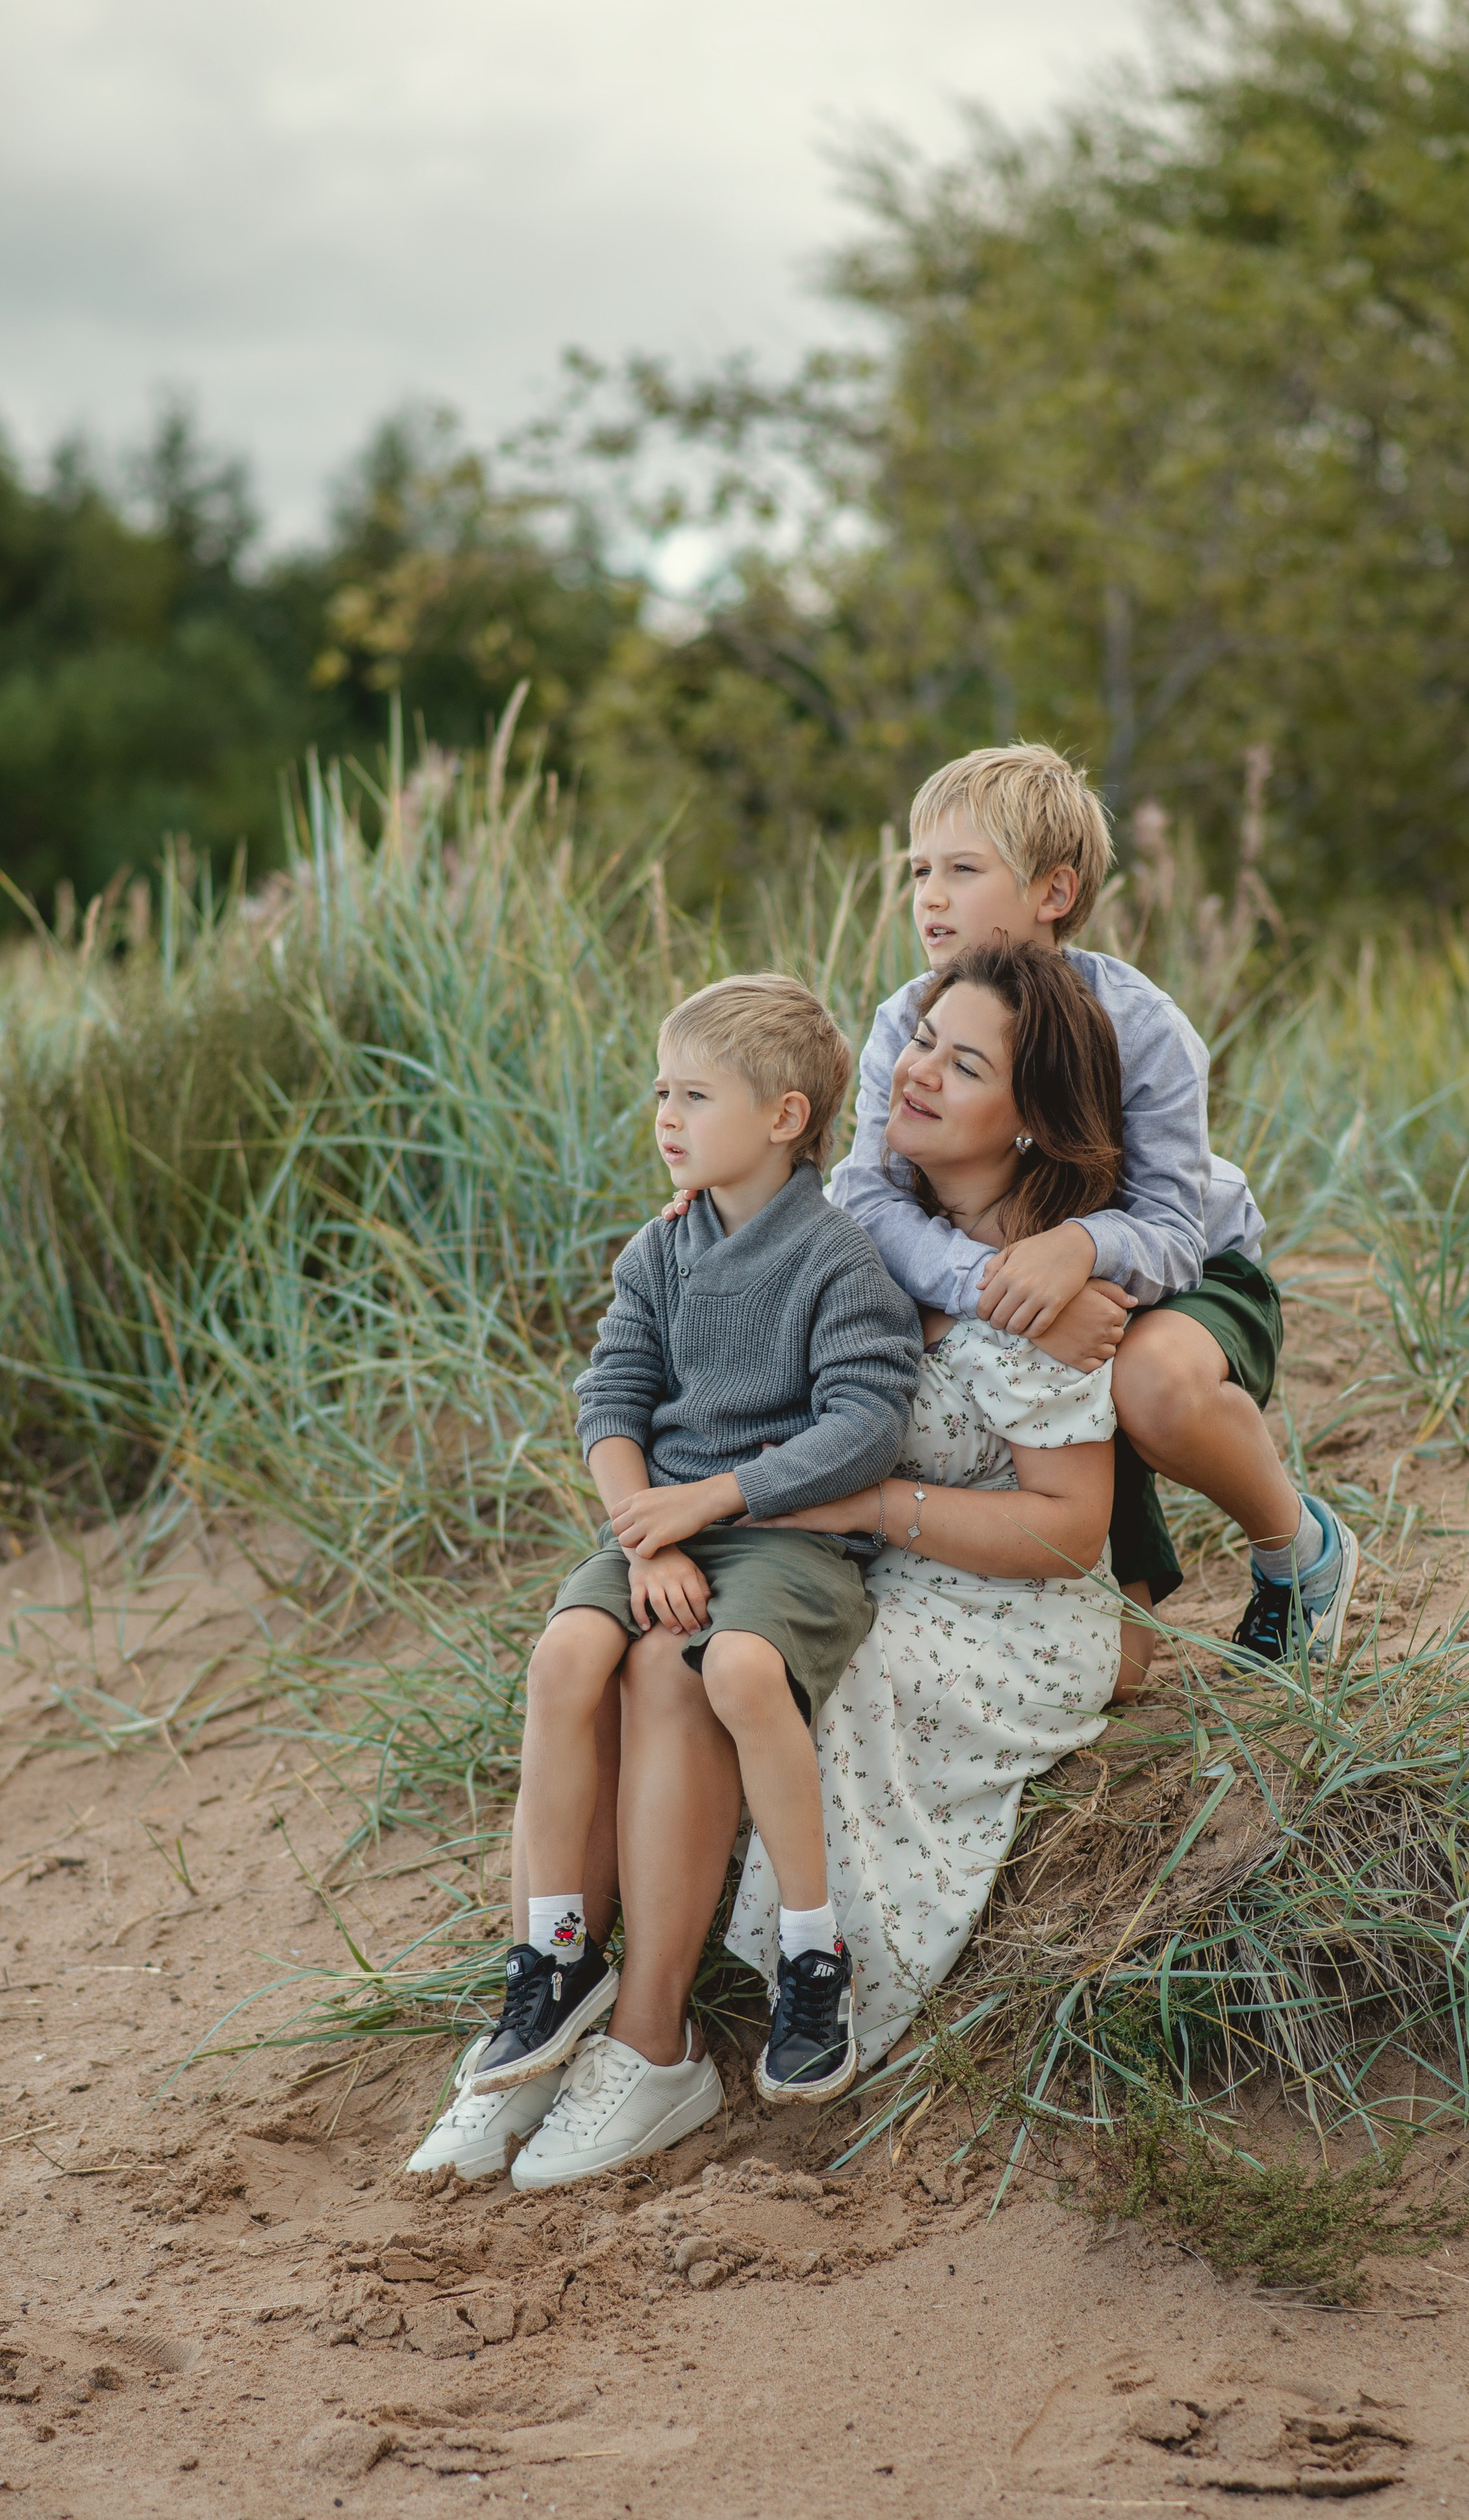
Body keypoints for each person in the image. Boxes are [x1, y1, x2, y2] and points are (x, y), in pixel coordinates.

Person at [489, 939, 1127, 2188]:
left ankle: (709, 2013)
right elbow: (648, 1349)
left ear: (1034, 1118)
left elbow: (1066, 1530)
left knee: (721, 1671)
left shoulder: (1051, 1282)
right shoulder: (842, 1216)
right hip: (791, 1531)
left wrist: (855, 1501)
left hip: (973, 1583)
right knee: (614, 1655)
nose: (920, 1071)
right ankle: (570, 2009)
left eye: (966, 1061)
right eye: (923, 1041)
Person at [462, 972, 922, 2122]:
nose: (665, 1117)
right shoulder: (659, 1253)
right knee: (566, 1655)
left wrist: (708, 1504)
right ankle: (555, 1954)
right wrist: (646, 1534)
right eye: (659, 1090)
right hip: (663, 1529)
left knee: (736, 1668)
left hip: (779, 1537)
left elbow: (865, 1425)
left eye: (695, 1095)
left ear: (785, 1119)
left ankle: (812, 1961)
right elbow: (609, 1398)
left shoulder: (836, 1260)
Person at [829, 741, 1359, 1677]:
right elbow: (871, 1191)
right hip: (1024, 1297)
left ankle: (1298, 1552)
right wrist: (994, 1283)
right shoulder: (906, 1018)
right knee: (1117, 1664)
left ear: (1055, 892)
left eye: (962, 870)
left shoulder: (1141, 1023)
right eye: (919, 872)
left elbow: (1169, 1224)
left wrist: (1077, 1246)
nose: (930, 897)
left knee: (1150, 1385)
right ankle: (1089, 1583)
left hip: (1180, 1274)